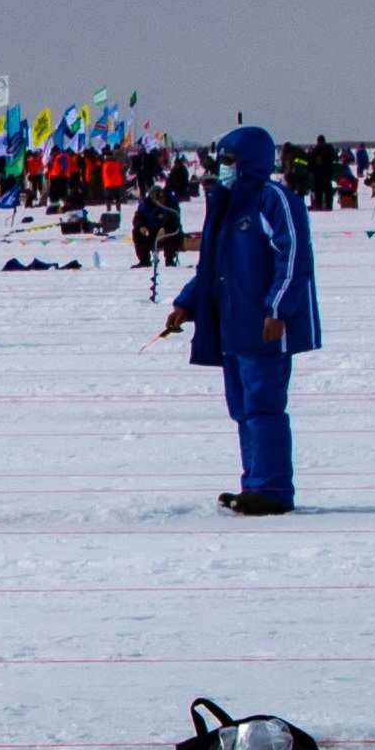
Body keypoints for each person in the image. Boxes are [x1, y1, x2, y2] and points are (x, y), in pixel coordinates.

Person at [160, 126, 320, 516]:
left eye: (230, 161)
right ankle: (254, 482)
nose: (223, 168)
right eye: (222, 160)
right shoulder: (226, 205)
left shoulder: (274, 201)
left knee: (264, 406)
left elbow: (293, 259)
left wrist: (278, 309)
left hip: (265, 325)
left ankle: (273, 489)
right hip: (233, 327)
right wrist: (187, 305)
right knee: (243, 408)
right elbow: (212, 267)